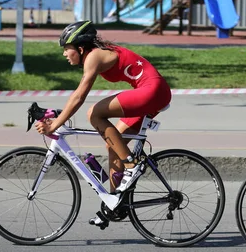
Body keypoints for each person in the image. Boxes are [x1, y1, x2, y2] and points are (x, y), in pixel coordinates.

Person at [35, 20, 172, 221]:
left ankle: (132, 165)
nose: (64, 53)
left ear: (80, 48)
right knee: (114, 145)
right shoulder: (98, 52)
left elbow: (79, 96)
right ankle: (116, 204)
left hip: (151, 91)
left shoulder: (94, 57)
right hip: (155, 92)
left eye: (67, 49)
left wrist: (55, 125)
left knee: (94, 114)